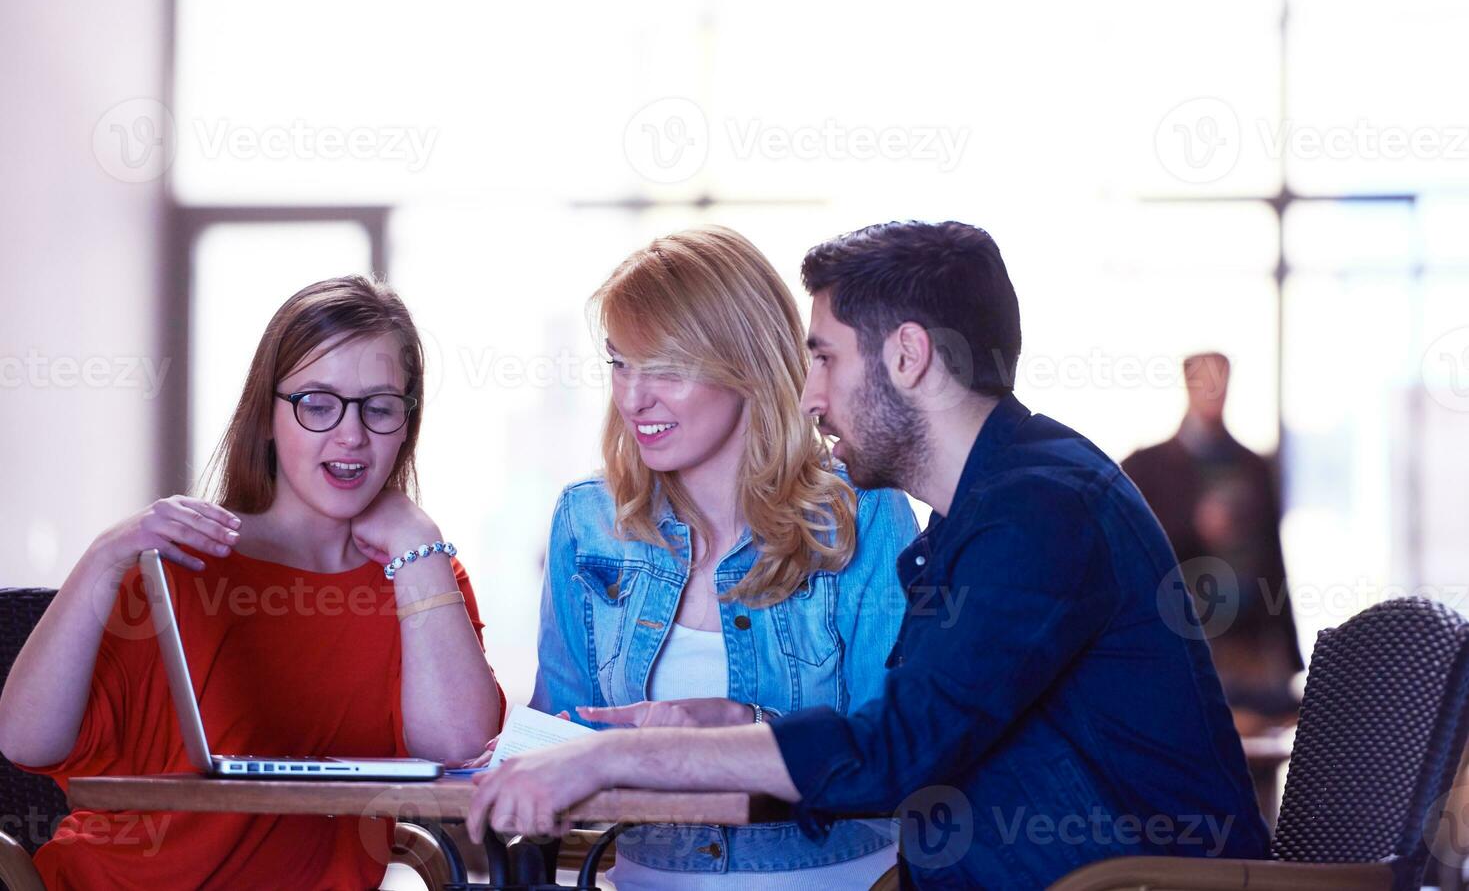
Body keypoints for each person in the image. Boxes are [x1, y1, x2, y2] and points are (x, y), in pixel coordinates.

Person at [464, 221, 1271, 889]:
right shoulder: (992, 506)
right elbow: (903, 741)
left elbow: (889, 752)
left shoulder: (1038, 513)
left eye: (823, 357)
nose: (807, 392)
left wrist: (619, 755)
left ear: (907, 357)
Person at [0, 275, 504, 890]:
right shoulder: (178, 563)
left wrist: (418, 543)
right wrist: (106, 554)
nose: (352, 434)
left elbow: (459, 745)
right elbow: (25, 740)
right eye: (318, 403)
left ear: (406, 424)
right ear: (267, 417)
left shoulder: (422, 576)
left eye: (379, 407)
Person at [485, 227, 917, 887]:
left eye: (665, 368)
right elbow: (558, 738)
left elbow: (897, 748)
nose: (633, 397)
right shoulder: (588, 523)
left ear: (747, 364)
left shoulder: (861, 515)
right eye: (619, 363)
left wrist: (742, 725)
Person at [1122, 353, 1303, 726]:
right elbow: (1135, 555)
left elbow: (1272, 558)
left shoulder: (1252, 465)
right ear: (1187, 385)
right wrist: (1195, 528)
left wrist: (1289, 655)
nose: (1214, 393)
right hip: (1181, 641)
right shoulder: (1147, 466)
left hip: (1246, 642)